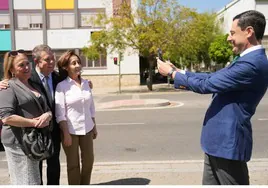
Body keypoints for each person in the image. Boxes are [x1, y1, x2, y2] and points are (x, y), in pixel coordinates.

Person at [157, 10, 268, 185]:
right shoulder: (245, 59)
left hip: (228, 144)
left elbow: (206, 85)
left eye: (232, 33)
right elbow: (211, 77)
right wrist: (180, 72)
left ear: (248, 32)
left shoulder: (252, 64)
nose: (228, 38)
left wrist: (171, 74)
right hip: (218, 144)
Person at [0, 50, 52, 184]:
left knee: (32, 179)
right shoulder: (8, 87)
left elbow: (46, 109)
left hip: (32, 140)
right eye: (21, 65)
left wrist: (47, 115)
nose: (26, 67)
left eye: (27, 63)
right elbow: (6, 117)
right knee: (26, 181)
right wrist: (33, 123)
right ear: (12, 69)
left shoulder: (33, 84)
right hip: (18, 142)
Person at [55, 50, 97, 185]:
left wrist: (94, 126)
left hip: (88, 129)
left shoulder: (86, 84)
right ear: (67, 67)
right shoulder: (62, 86)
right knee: (73, 165)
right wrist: (65, 133)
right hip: (70, 131)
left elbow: (91, 107)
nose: (78, 65)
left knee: (89, 161)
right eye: (74, 63)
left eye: (79, 62)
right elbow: (60, 112)